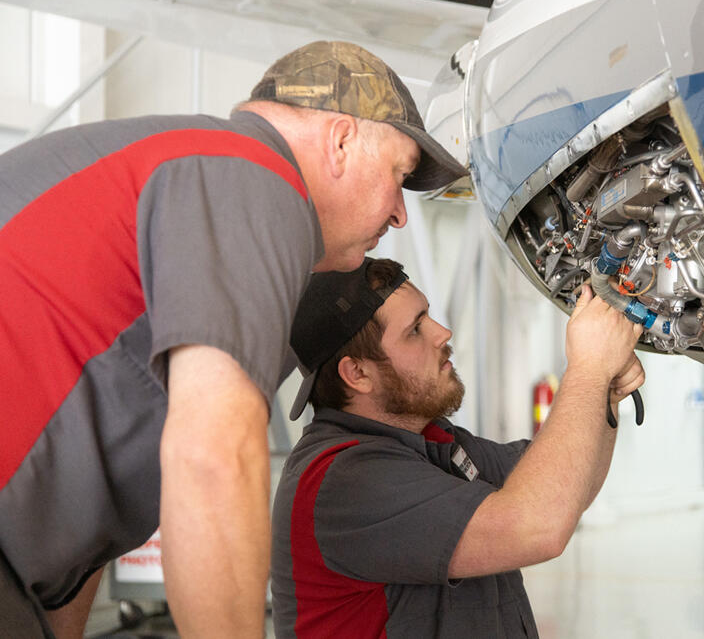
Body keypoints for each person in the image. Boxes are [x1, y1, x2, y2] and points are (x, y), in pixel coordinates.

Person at [0, 40, 467, 639]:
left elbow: (90, 537)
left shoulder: (200, 176)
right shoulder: (253, 175)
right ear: (342, 140)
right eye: (399, 175)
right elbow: (215, 457)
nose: (400, 214)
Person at [271, 258, 645, 638]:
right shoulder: (341, 481)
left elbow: (567, 492)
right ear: (358, 374)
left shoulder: (433, 441)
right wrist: (587, 370)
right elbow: (538, 527)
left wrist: (605, 393)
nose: (442, 332)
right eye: (415, 329)